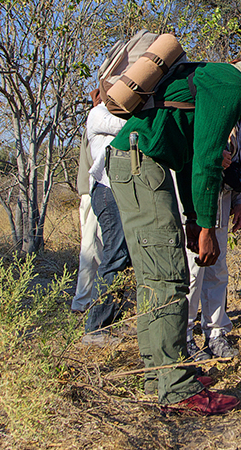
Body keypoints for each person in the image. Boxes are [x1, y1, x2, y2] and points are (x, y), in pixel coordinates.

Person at [104, 45, 241, 415]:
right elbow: (207, 158)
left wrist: (194, 219)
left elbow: (192, 156)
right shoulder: (231, 85)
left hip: (141, 162)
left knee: (158, 275)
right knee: (167, 276)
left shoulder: (217, 77)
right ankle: (175, 387)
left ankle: (157, 373)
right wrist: (207, 227)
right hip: (139, 162)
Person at [182, 121, 241, 362]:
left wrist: (240, 201)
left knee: (218, 269)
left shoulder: (238, 120)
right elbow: (185, 153)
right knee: (192, 271)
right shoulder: (198, 106)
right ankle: (185, 337)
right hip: (196, 199)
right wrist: (211, 156)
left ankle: (216, 333)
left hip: (224, 199)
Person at [81, 101, 132, 345]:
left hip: (123, 190)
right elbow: (127, 126)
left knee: (126, 257)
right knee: (115, 254)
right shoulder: (98, 113)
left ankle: (114, 321)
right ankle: (95, 328)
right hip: (106, 189)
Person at [73, 132, 102, 313]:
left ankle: (94, 301)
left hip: (95, 195)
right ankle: (82, 303)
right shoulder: (99, 119)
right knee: (91, 250)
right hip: (93, 194)